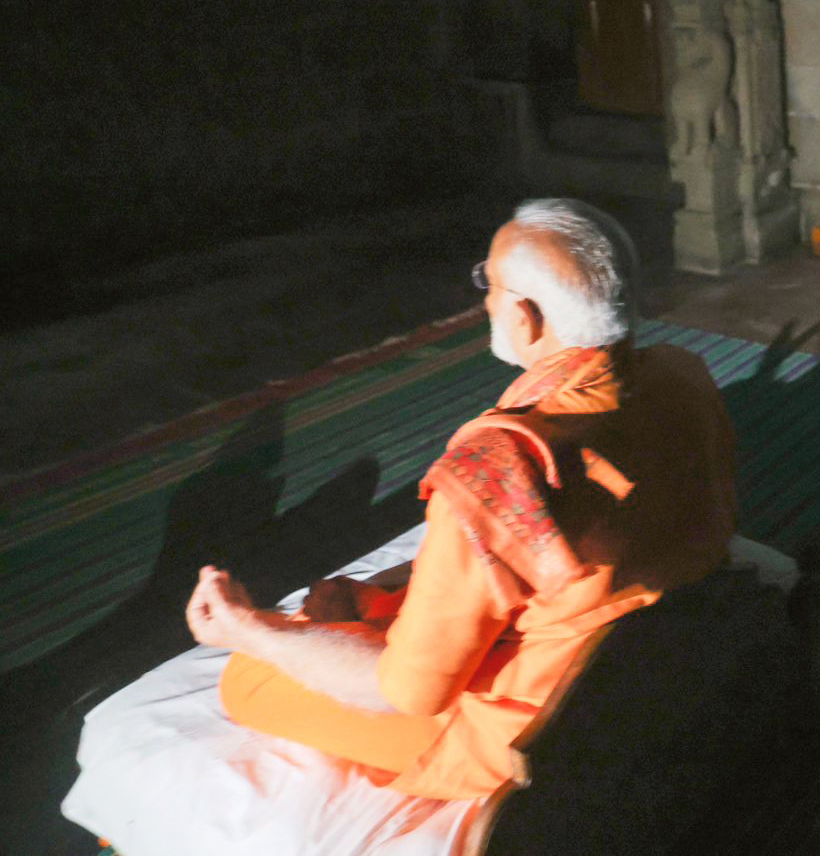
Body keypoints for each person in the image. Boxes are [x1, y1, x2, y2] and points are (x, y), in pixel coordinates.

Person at [183, 198, 738, 800]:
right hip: (637, 646)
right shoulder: (680, 372)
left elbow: (408, 694)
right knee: (371, 605)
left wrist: (252, 632)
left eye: (489, 284)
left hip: (539, 724)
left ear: (526, 317)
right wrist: (376, 603)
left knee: (246, 680)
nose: (484, 300)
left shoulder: (493, 474)